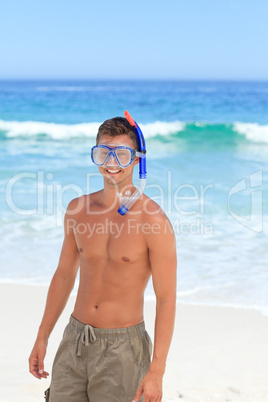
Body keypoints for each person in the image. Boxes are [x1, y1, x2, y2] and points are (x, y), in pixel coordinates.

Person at [29, 113, 177, 402]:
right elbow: (63, 275)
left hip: (123, 348)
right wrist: (43, 336)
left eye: (121, 154)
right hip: (74, 340)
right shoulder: (78, 209)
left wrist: (157, 371)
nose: (111, 164)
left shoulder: (153, 220)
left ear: (136, 160)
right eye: (103, 153)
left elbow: (166, 299)